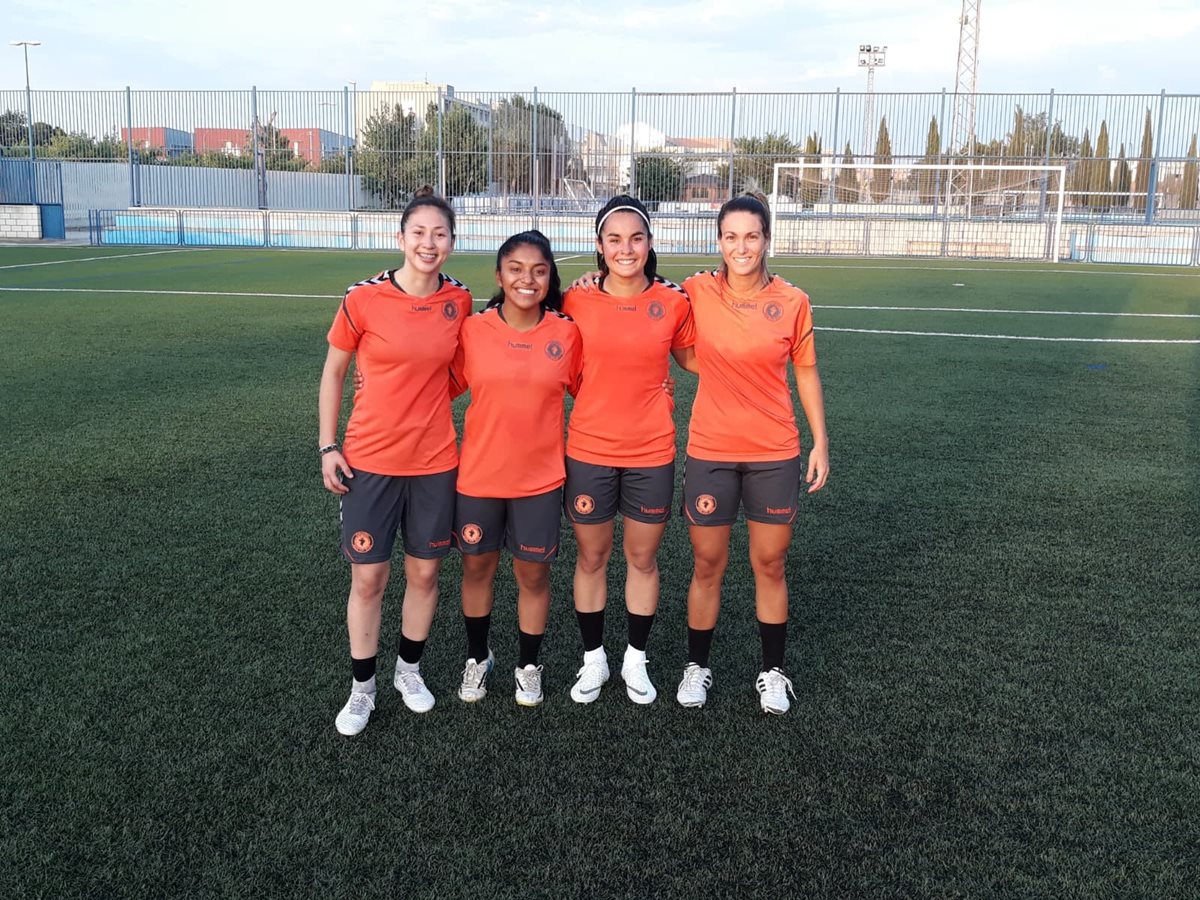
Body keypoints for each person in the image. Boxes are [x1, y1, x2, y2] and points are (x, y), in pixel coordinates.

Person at [318, 187, 472, 736]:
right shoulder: (363, 298)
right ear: (400, 238)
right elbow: (334, 372)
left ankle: (409, 671)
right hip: (369, 462)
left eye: (440, 234)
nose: (429, 243)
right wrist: (327, 445)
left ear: (452, 241)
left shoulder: (460, 299)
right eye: (419, 233)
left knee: (425, 572)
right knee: (368, 579)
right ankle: (362, 689)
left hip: (434, 463)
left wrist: (423, 397)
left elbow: (462, 368)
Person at [675, 191, 829, 715]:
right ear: (719, 241)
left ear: (767, 240)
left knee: (769, 562)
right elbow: (671, 336)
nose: (742, 247)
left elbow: (805, 369)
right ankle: (697, 667)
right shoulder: (695, 291)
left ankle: (772, 672)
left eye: (752, 236)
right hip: (711, 449)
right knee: (707, 564)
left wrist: (820, 441)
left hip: (775, 450)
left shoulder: (793, 300)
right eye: (731, 236)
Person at [561, 195, 696, 705]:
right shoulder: (575, 300)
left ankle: (635, 661)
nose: (626, 248)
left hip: (651, 452)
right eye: (614, 239)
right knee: (592, 558)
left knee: (642, 559)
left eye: (635, 238)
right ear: (599, 247)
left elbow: (695, 360)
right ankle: (594, 660)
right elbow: (558, 361)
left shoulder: (675, 300)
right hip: (590, 450)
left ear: (650, 243)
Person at [452, 230, 583, 707]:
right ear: (499, 275)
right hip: (479, 477)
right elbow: (436, 382)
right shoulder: (473, 329)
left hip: (540, 481)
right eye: (516, 269)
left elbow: (591, 391)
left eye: (539, 270)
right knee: (477, 570)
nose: (527, 279)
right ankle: (477, 658)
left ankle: (528, 664)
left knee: (533, 577)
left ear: (550, 277)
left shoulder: (566, 333)